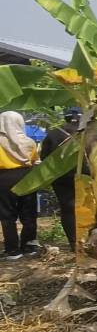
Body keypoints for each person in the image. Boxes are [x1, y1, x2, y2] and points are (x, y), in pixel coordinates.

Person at [0, 110, 40, 260]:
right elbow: (35, 160)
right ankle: (29, 246)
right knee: (29, 212)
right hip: (27, 176)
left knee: (7, 215)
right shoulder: (29, 142)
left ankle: (12, 250)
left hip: (3, 178)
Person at [40, 107, 81, 251]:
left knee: (68, 209)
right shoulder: (90, 132)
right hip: (86, 175)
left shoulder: (53, 134)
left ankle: (74, 243)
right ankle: (91, 240)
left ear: (66, 117)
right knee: (88, 207)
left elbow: (44, 157)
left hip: (61, 178)